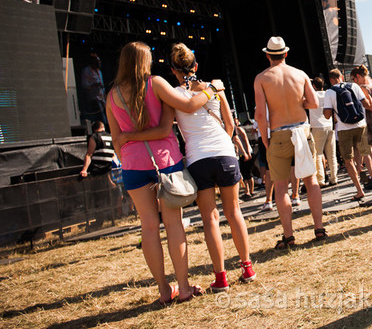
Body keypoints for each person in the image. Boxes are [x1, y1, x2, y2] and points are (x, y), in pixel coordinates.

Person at [137, 43, 256, 291]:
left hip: (197, 159)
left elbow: (167, 126)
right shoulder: (215, 88)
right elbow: (229, 125)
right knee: (234, 213)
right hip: (224, 153)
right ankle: (247, 267)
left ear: (173, 70)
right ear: (196, 66)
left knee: (210, 218)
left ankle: (221, 277)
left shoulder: (173, 95)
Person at [106, 41, 215, 304]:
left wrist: (130, 151)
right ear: (145, 61)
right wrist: (212, 90)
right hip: (164, 163)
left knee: (149, 227)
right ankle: (184, 287)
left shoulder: (111, 96)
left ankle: (164, 290)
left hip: (133, 167)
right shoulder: (155, 83)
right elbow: (187, 107)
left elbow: (116, 138)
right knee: (174, 224)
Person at [253, 36, 325, 249]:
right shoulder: (300, 74)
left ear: (268, 55)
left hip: (279, 133)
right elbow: (313, 102)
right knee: (311, 181)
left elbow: (259, 114)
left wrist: (265, 139)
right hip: (302, 129)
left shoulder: (262, 78)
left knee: (281, 186)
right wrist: (298, 102)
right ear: (285, 54)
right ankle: (319, 228)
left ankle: (288, 235)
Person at [324, 69, 372, 200]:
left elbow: (327, 115)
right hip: (360, 124)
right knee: (360, 150)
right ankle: (363, 172)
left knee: (348, 160)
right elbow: (367, 104)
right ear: (341, 77)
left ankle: (359, 190)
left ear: (330, 80)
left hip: (343, 128)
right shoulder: (353, 86)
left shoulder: (329, 92)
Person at [309, 77, 339, 186]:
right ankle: (334, 177)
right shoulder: (327, 93)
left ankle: (320, 179)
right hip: (329, 125)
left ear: (313, 86)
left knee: (318, 153)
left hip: (317, 126)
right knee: (332, 154)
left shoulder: (312, 95)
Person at [81, 53, 107, 125]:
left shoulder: (99, 72)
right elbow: (84, 85)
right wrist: (93, 85)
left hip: (101, 98)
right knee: (101, 117)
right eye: (97, 62)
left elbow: (102, 86)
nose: (99, 63)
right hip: (93, 98)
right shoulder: (86, 71)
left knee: (105, 115)